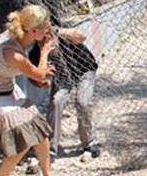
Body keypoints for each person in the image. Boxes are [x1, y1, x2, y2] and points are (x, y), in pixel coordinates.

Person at [0, 5, 55, 176]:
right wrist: (45, 51)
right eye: (45, 26)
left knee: (40, 133)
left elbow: (29, 73)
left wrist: (38, 76)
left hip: (7, 90)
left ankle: (48, 174)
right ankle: (1, 174)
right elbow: (39, 74)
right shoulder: (12, 52)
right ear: (33, 31)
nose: (48, 29)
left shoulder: (17, 34)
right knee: (25, 141)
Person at [28, 25, 100, 161]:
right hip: (63, 78)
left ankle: (89, 144)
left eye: (49, 38)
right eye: (42, 40)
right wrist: (41, 83)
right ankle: (50, 149)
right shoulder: (36, 52)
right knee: (56, 101)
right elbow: (32, 77)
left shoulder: (64, 38)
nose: (47, 41)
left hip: (84, 71)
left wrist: (59, 31)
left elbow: (82, 36)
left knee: (82, 102)